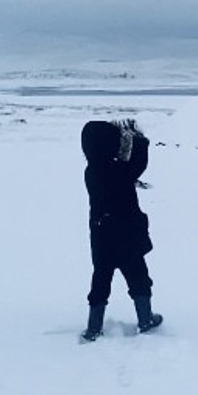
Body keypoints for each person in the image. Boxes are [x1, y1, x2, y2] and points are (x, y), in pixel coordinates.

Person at [79, 119, 163, 341]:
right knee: (139, 277)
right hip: (127, 236)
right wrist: (139, 140)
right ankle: (145, 319)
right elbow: (137, 165)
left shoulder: (92, 171)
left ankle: (94, 327)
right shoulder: (118, 171)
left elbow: (127, 168)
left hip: (101, 235)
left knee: (100, 280)